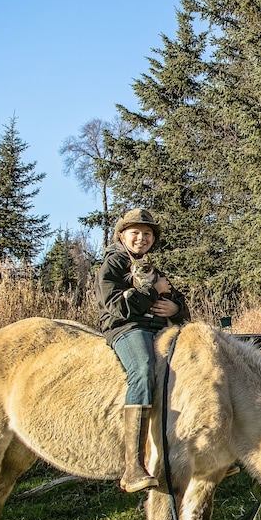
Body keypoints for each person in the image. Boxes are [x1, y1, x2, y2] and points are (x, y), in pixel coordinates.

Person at [97, 208, 190, 493]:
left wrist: (175, 308)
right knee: (142, 368)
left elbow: (176, 300)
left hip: (158, 328)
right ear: (122, 235)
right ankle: (133, 466)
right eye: (135, 232)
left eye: (147, 234)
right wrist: (152, 292)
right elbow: (115, 306)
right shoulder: (113, 263)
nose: (141, 238)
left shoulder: (150, 267)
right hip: (127, 329)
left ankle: (194, 453)